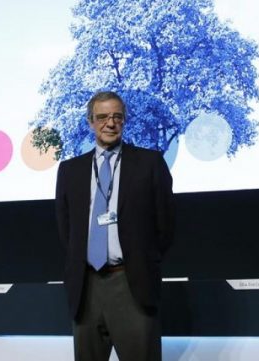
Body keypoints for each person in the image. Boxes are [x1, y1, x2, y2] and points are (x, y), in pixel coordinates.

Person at [55, 91, 175, 361]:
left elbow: (165, 225)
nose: (110, 123)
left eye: (117, 117)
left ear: (124, 121)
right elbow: (67, 231)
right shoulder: (69, 170)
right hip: (86, 288)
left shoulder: (150, 164)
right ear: (90, 122)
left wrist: (144, 261)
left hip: (132, 284)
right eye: (102, 117)